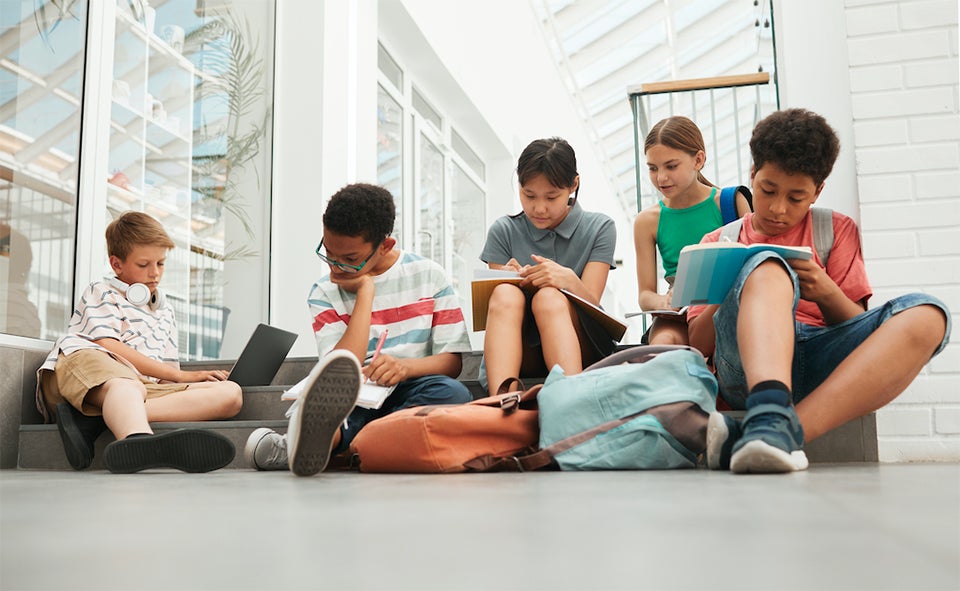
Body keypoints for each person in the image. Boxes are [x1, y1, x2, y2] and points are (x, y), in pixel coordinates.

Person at [691, 108, 951, 474]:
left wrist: (826, 292)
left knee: (928, 314)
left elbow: (858, 330)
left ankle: (775, 431)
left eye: (797, 198)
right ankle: (768, 415)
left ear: (818, 191)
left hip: (820, 356)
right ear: (753, 175)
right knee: (766, 266)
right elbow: (698, 344)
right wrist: (730, 291)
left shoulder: (836, 230)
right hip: (743, 366)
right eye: (767, 191)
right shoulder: (718, 241)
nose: (779, 208)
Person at [244, 183, 473, 476]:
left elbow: (452, 363)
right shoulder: (324, 291)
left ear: (385, 246)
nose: (336, 267)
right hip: (352, 394)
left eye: (350, 259)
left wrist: (405, 367)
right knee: (337, 408)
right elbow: (340, 364)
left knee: (453, 394)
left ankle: (322, 447)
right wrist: (365, 290)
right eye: (328, 252)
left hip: (413, 387)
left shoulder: (429, 275)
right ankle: (341, 441)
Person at [37, 211, 242, 473]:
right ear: (117, 264)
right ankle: (138, 439)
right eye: (144, 265)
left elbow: (166, 379)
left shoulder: (164, 311)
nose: (154, 273)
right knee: (126, 386)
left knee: (231, 395)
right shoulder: (102, 291)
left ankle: (95, 419)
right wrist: (180, 376)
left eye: (161, 263)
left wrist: (193, 381)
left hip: (138, 386)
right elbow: (109, 345)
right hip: (87, 365)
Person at [479, 137, 617, 396]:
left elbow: (593, 304)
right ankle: (501, 400)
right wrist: (507, 280)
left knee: (549, 297)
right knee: (504, 292)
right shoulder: (503, 230)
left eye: (552, 197)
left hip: (584, 344)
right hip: (523, 349)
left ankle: (569, 401)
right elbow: (495, 309)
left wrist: (566, 279)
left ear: (573, 185)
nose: (539, 208)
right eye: (528, 195)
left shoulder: (600, 227)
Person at [633, 116, 751, 345]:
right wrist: (664, 302)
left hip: (727, 307)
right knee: (664, 344)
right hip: (678, 316)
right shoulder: (646, 221)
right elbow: (645, 295)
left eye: (671, 166)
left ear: (698, 160)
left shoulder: (730, 202)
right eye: (652, 168)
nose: (661, 177)